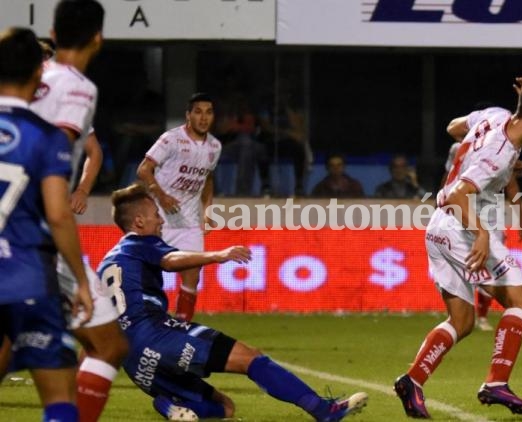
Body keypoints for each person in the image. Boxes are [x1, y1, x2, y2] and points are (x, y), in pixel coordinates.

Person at [98, 183, 368, 421]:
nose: (160, 221)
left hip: (132, 359)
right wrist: (218, 255)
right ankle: (323, 410)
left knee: (225, 407)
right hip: (156, 334)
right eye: (156, 215)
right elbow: (170, 261)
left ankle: (169, 405)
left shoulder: (108, 261)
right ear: (138, 222)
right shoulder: (139, 243)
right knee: (252, 359)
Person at [393, 78, 522, 418]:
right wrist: (482, 234)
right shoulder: (498, 155)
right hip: (461, 229)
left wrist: (480, 157)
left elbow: (454, 127)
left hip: (438, 229)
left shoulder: (493, 116)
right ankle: (496, 383)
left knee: (463, 319)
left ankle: (413, 380)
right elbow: (457, 195)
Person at [28, 2, 129, 421]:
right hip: (35, 231)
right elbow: (52, 151)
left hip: (17, 228)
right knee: (109, 346)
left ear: (52, 31)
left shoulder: (31, 82)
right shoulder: (76, 87)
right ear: (98, 38)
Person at [0, 27, 93, 421]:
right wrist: (81, 281)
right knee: (59, 399)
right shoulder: (47, 137)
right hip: (27, 280)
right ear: (40, 76)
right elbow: (58, 214)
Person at [136, 93, 221, 322]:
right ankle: (139, 322)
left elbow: (208, 179)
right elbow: (144, 170)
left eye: (208, 112)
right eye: (198, 112)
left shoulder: (215, 146)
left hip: (189, 221)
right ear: (188, 115)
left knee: (193, 274)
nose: (203, 118)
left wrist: (208, 210)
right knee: (146, 275)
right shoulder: (171, 139)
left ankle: (181, 327)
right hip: (159, 218)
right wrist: (161, 195)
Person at [445, 105, 522, 332]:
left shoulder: (462, 146)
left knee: (472, 269)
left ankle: (469, 314)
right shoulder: (502, 145)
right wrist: (520, 217)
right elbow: (512, 187)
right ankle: (477, 315)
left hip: (455, 213)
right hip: (484, 216)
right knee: (521, 300)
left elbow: (452, 128)